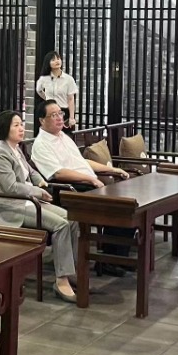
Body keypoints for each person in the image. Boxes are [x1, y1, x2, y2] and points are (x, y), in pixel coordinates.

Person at [31, 99, 132, 277]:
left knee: (130, 204)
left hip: (87, 183)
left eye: (60, 113)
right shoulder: (41, 145)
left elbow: (82, 162)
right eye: (53, 115)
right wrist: (90, 179)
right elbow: (58, 173)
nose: (59, 118)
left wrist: (112, 169)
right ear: (41, 120)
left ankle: (116, 258)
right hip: (69, 191)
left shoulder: (64, 137)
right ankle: (108, 261)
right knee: (118, 206)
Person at [0, 110, 79, 302]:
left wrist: (41, 182)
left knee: (72, 220)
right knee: (61, 225)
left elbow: (30, 171)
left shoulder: (16, 149)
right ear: (4, 129)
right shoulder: (0, 154)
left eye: (21, 124)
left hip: (29, 202)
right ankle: (61, 281)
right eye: (16, 125)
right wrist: (37, 192)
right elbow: (11, 188)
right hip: (11, 207)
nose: (21, 128)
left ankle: (69, 270)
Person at [36, 51, 78, 133]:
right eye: (53, 60)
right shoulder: (44, 79)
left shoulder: (68, 79)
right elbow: (39, 90)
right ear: (48, 63)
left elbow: (71, 99)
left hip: (63, 111)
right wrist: (47, 99)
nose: (57, 61)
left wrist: (72, 117)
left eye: (58, 59)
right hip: (49, 111)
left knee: (63, 136)